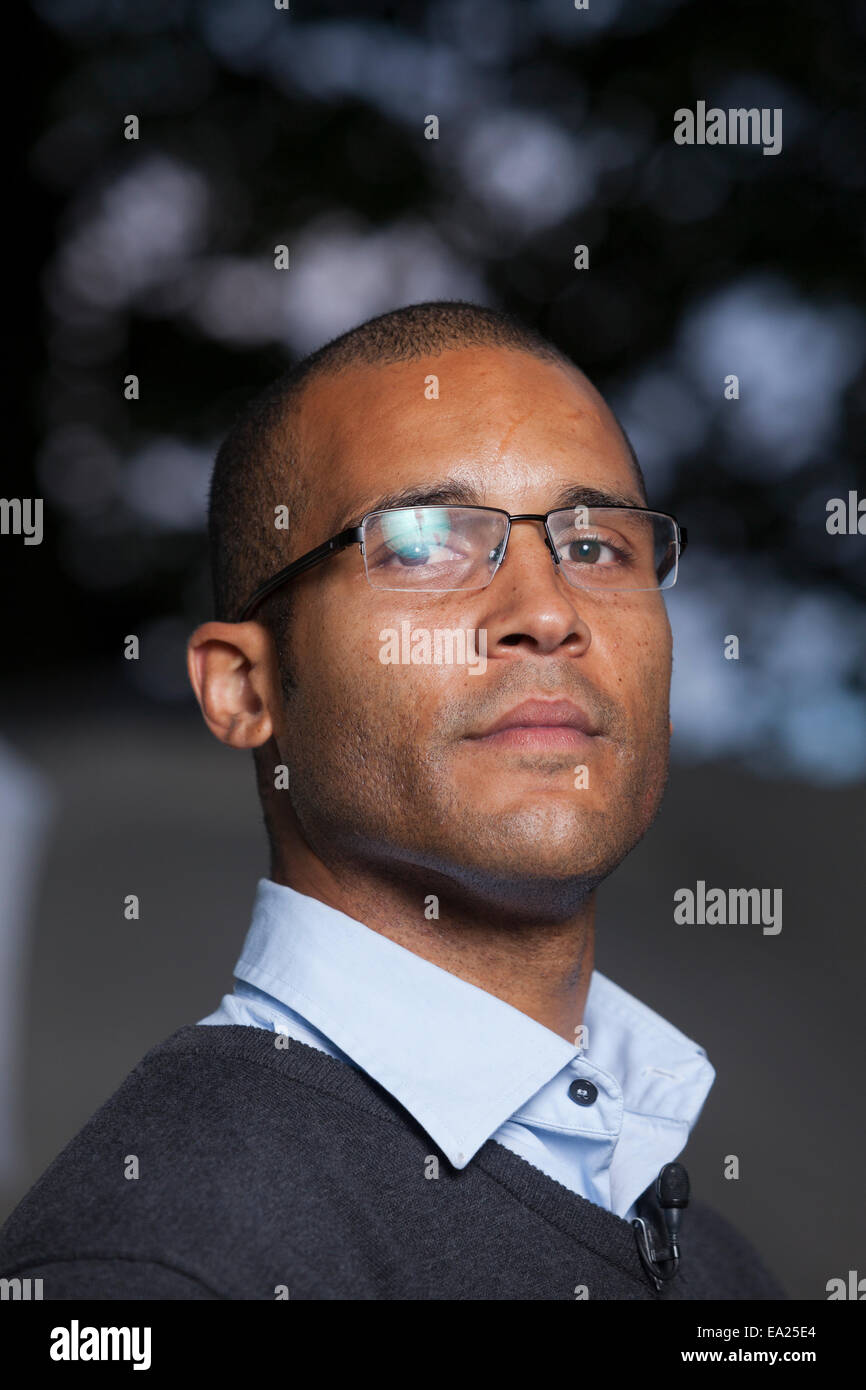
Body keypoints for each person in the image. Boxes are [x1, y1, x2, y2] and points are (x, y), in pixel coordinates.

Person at [0, 301, 786, 1299]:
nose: (547, 612)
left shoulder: (712, 1263)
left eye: (592, 545)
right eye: (421, 543)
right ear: (244, 688)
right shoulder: (154, 1261)